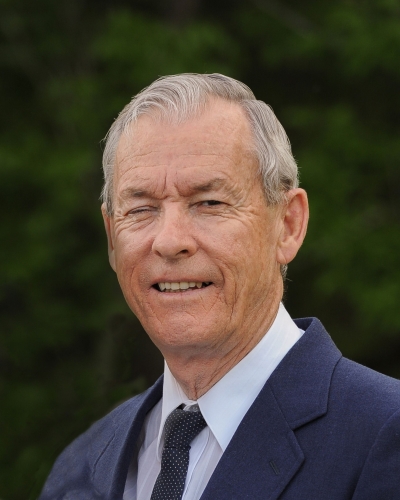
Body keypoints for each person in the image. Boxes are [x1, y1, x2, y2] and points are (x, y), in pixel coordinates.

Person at [39, 74, 400, 500]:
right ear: (112, 240)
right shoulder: (79, 468)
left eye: (209, 203)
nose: (170, 241)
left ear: (287, 225)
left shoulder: (383, 435)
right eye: (141, 209)